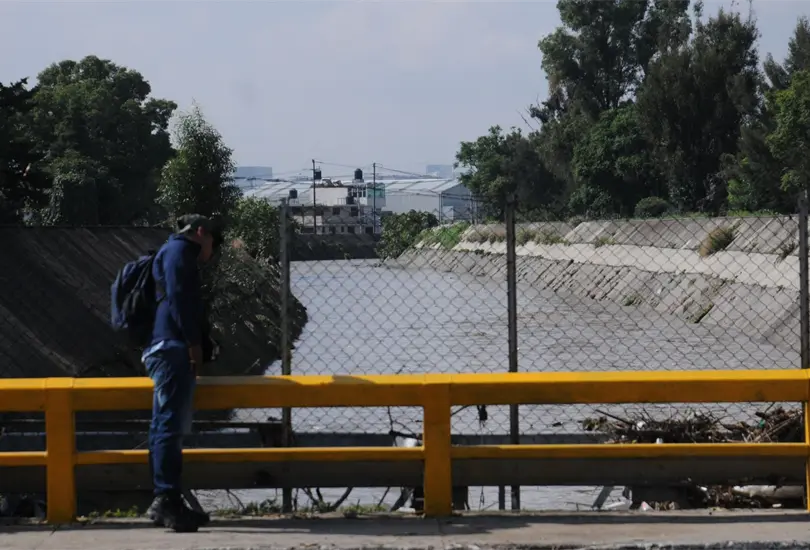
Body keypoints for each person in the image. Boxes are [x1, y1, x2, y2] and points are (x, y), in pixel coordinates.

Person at [143, 214, 216, 532]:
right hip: (172, 349)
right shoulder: (179, 253)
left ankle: (167, 499)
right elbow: (180, 300)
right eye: (213, 241)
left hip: (168, 348)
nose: (212, 248)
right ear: (201, 233)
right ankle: (166, 500)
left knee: (166, 425)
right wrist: (193, 345)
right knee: (169, 427)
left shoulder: (173, 252)